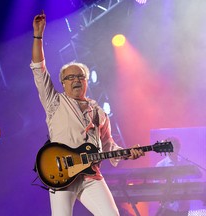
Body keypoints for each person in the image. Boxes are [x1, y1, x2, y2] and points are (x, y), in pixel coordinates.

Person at [30, 12, 145, 216]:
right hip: (61, 173)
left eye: (80, 76)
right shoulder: (54, 101)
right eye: (70, 77)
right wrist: (38, 36)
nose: (76, 80)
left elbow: (109, 146)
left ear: (86, 81)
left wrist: (129, 153)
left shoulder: (99, 112)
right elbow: (39, 70)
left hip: (91, 176)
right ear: (63, 83)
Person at [155, 137, 191, 216]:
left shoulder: (185, 163)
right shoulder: (161, 165)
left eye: (174, 147)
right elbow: (157, 187)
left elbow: (190, 182)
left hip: (183, 206)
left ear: (178, 148)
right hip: (167, 207)